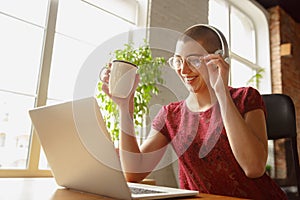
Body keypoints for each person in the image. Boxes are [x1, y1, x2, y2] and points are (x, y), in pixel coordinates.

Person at [100, 24, 288, 199]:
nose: (183, 69)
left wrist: (222, 93)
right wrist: (125, 108)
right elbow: (134, 172)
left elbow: (253, 167)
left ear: (218, 60)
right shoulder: (171, 115)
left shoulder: (245, 98)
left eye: (194, 60)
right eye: (178, 61)